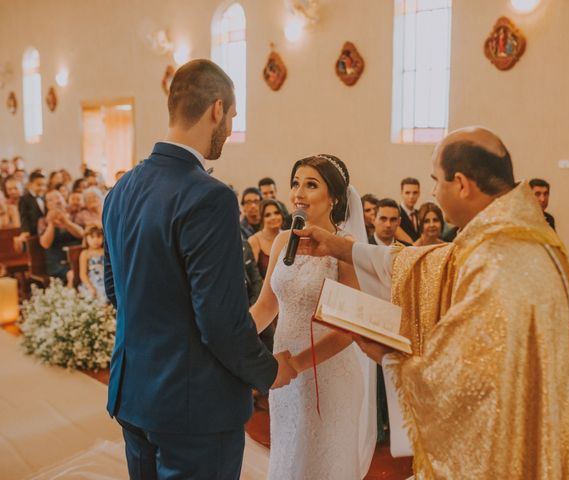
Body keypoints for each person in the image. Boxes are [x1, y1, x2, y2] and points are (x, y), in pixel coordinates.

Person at [296, 127, 569, 478]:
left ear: (462, 184)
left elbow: (469, 381)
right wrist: (339, 247)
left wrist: (390, 357)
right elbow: (430, 265)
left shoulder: (502, 259)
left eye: (436, 180)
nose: (433, 190)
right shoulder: (508, 237)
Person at [102, 59, 296, 480]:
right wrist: (269, 371)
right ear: (216, 109)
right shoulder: (208, 196)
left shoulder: (120, 189)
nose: (229, 128)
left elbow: (115, 291)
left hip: (132, 392)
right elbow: (219, 320)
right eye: (232, 118)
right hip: (193, 408)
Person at [249, 154, 376, 479]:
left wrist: (298, 363)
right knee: (290, 456)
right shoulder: (282, 241)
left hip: (328, 373)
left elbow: (349, 329)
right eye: (295, 183)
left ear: (333, 197)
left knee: (323, 463)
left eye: (310, 185)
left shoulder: (345, 248)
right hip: (284, 375)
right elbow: (266, 306)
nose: (298, 193)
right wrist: (230, 339)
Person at [38, 190, 83, 285]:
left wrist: (66, 222)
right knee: (71, 274)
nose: (56, 201)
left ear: (64, 199)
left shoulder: (75, 216)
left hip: (79, 258)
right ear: (46, 205)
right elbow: (45, 244)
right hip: (57, 261)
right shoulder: (43, 221)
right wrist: (51, 224)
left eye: (58, 197)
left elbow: (82, 234)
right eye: (50, 200)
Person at [248, 199, 285, 279]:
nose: (273, 217)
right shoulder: (254, 240)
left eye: (277, 213)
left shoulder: (288, 237)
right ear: (261, 219)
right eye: (267, 215)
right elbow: (251, 276)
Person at [79, 224, 107, 301]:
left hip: (105, 277)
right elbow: (83, 274)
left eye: (99, 237)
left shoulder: (105, 251)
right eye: (92, 237)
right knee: (98, 292)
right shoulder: (85, 253)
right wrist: (90, 287)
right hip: (93, 280)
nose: (95, 240)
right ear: (86, 238)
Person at [19, 171, 47, 235]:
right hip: (33, 231)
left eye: (44, 185)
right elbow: (23, 216)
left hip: (45, 231)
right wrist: (25, 230)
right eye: (39, 185)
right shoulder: (24, 199)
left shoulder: (45, 197)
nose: (42, 188)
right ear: (30, 184)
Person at [396, 177, 421, 243]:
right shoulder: (395, 214)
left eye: (415, 193)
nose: (411, 196)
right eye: (407, 193)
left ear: (419, 194)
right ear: (401, 193)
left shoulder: (420, 214)